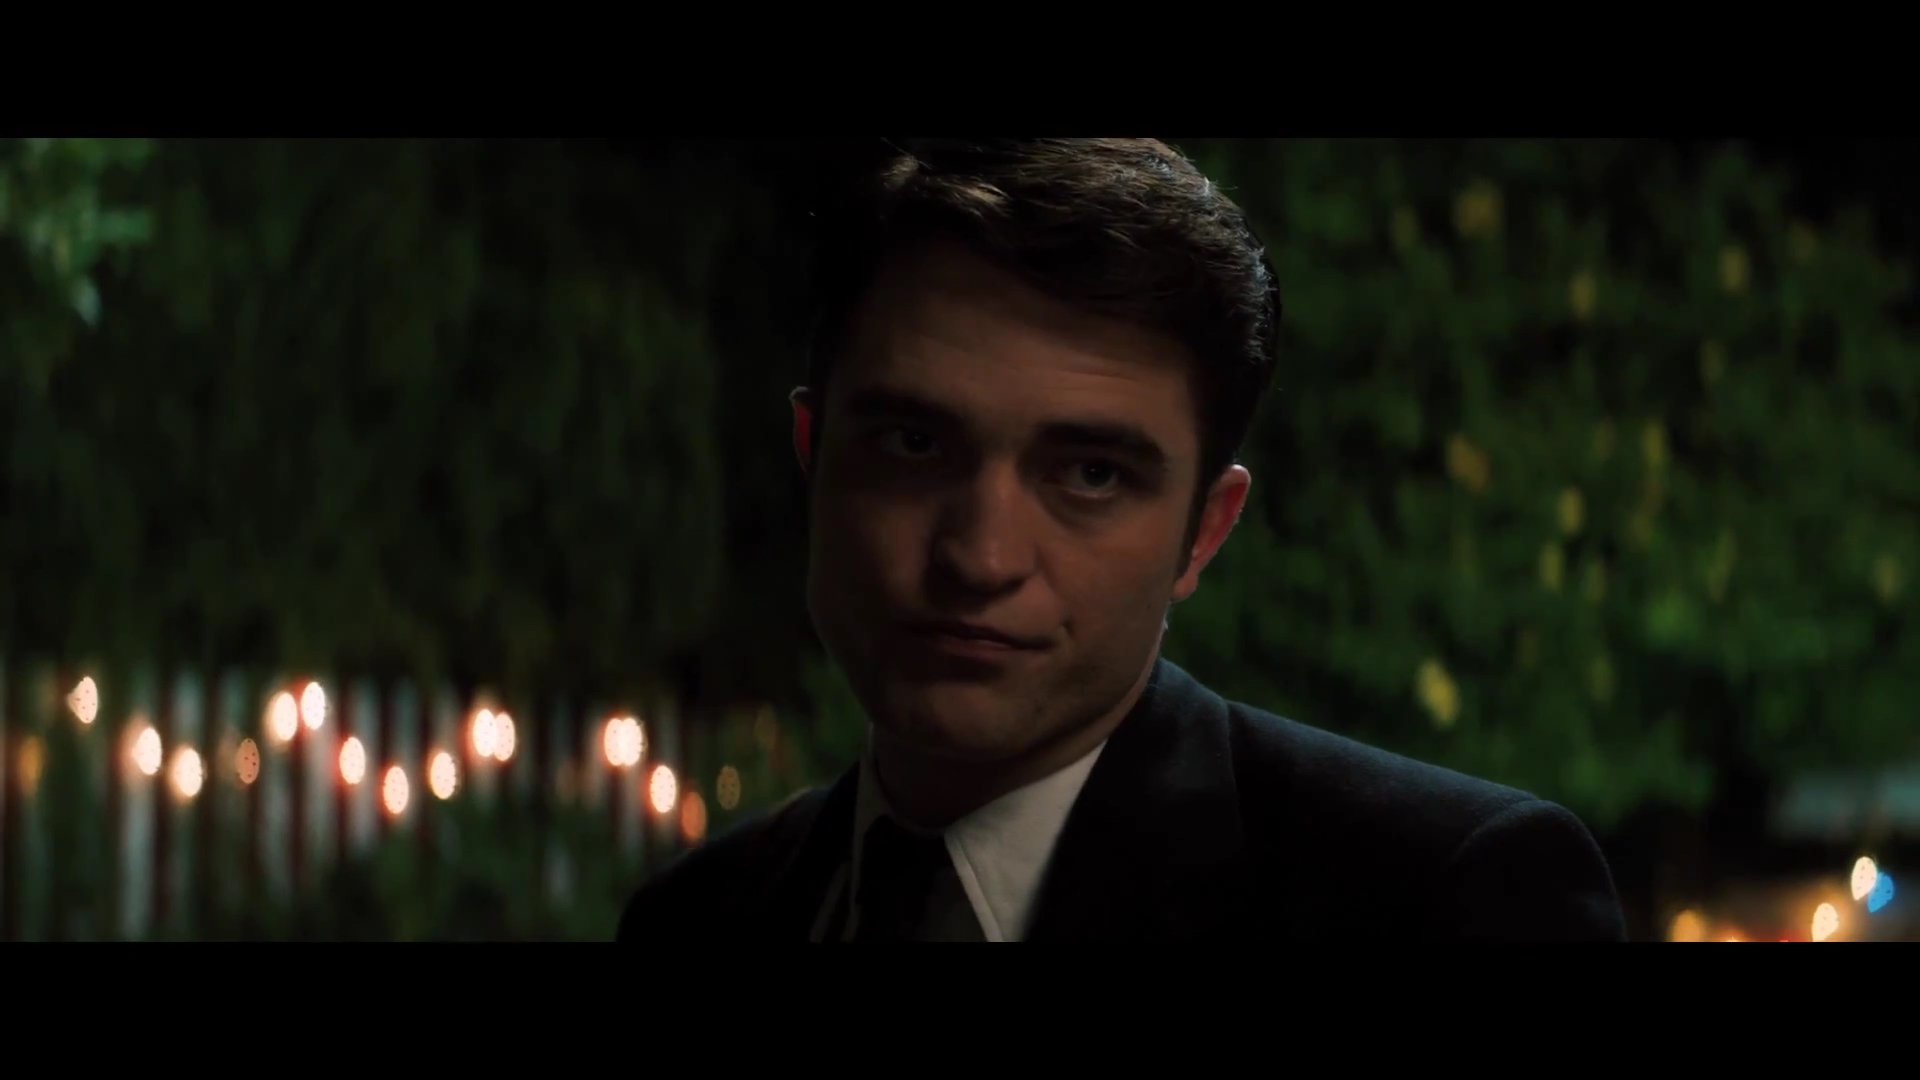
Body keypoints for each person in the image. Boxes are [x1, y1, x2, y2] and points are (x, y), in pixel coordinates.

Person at [618, 138, 1627, 942]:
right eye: (915, 444)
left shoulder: (1444, 898)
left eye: (1091, 473)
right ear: (813, 454)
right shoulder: (696, 918)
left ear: (1204, 532)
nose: (980, 556)